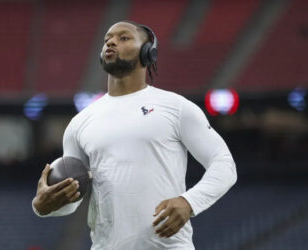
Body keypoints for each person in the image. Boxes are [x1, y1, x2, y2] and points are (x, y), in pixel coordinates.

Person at [32, 21, 237, 250]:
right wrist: (44, 205)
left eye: (124, 38)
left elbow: (224, 164)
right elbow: (73, 197)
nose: (111, 42)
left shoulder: (176, 107)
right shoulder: (79, 123)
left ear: (147, 51)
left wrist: (189, 202)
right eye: (107, 38)